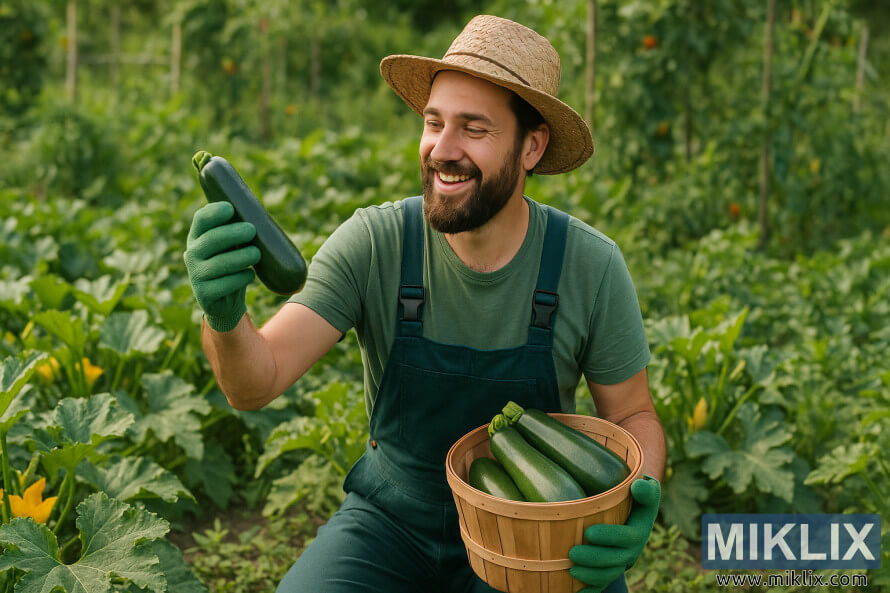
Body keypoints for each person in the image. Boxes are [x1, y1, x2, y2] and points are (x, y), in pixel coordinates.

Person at [184, 14, 666, 593]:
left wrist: (639, 500)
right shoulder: (376, 243)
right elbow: (254, 384)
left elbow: (632, 414)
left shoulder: (589, 264)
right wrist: (224, 316)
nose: (442, 149)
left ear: (531, 146)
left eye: (474, 129)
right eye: (433, 122)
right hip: (391, 525)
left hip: (529, 531)